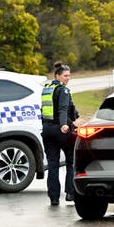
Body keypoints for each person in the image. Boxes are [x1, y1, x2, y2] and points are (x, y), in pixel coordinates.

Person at [41, 61, 79, 206]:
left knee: (52, 164)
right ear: (57, 76)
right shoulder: (63, 90)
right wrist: (64, 124)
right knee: (71, 160)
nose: (68, 78)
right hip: (60, 130)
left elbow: (46, 111)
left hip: (47, 130)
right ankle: (70, 193)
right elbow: (63, 109)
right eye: (65, 76)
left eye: (69, 76)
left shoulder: (47, 89)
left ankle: (54, 197)